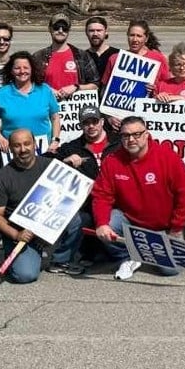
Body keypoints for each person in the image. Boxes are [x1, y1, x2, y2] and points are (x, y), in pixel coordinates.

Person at [91, 117, 185, 280]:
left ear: (147, 134)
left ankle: (166, 248)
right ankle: (127, 257)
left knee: (171, 270)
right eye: (126, 135)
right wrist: (102, 223)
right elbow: (102, 195)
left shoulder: (168, 157)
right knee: (108, 224)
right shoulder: (112, 161)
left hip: (164, 226)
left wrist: (176, 228)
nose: (131, 139)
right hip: (130, 221)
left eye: (137, 134)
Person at [0, 129, 82, 284]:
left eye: (27, 144)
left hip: (45, 222)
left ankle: (60, 259)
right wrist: (16, 235)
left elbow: (70, 193)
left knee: (76, 218)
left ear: (35, 144)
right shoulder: (3, 176)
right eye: (17, 146)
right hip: (20, 232)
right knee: (25, 275)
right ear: (10, 148)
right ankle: (16, 253)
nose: (23, 149)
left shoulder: (51, 166)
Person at [48, 106, 115, 275]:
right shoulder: (72, 147)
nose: (91, 126)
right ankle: (61, 260)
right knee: (76, 219)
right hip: (86, 203)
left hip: (115, 203)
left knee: (115, 225)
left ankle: (116, 253)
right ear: (81, 125)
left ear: (102, 122)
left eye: (94, 122)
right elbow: (44, 162)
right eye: (86, 123)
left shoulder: (118, 143)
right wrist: (65, 161)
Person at [0, 51, 60, 157]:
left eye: (26, 68)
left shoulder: (45, 90)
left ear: (32, 69)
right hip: (13, 151)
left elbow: (55, 118)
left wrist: (55, 140)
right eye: (17, 68)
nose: (22, 71)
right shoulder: (1, 93)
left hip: (44, 149)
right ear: (11, 71)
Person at [34, 14, 100, 100]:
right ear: (49, 29)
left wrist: (76, 87)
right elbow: (29, 84)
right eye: (56, 27)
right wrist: (47, 90)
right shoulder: (38, 56)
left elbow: (95, 85)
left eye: (64, 28)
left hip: (75, 110)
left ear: (69, 30)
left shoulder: (82, 56)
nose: (60, 30)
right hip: (47, 109)